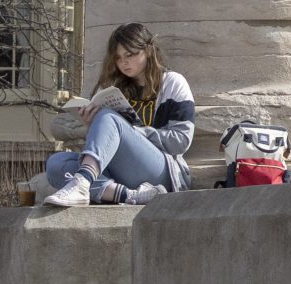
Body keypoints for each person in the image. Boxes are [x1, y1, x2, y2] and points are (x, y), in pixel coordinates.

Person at [40, 22, 196, 207]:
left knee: (107, 118)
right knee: (56, 164)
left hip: (163, 170)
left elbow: (180, 141)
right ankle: (129, 196)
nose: (124, 62)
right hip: (123, 174)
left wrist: (132, 131)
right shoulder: (117, 91)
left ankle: (82, 183)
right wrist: (93, 126)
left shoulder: (172, 83)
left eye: (130, 55)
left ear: (147, 50)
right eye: (118, 58)